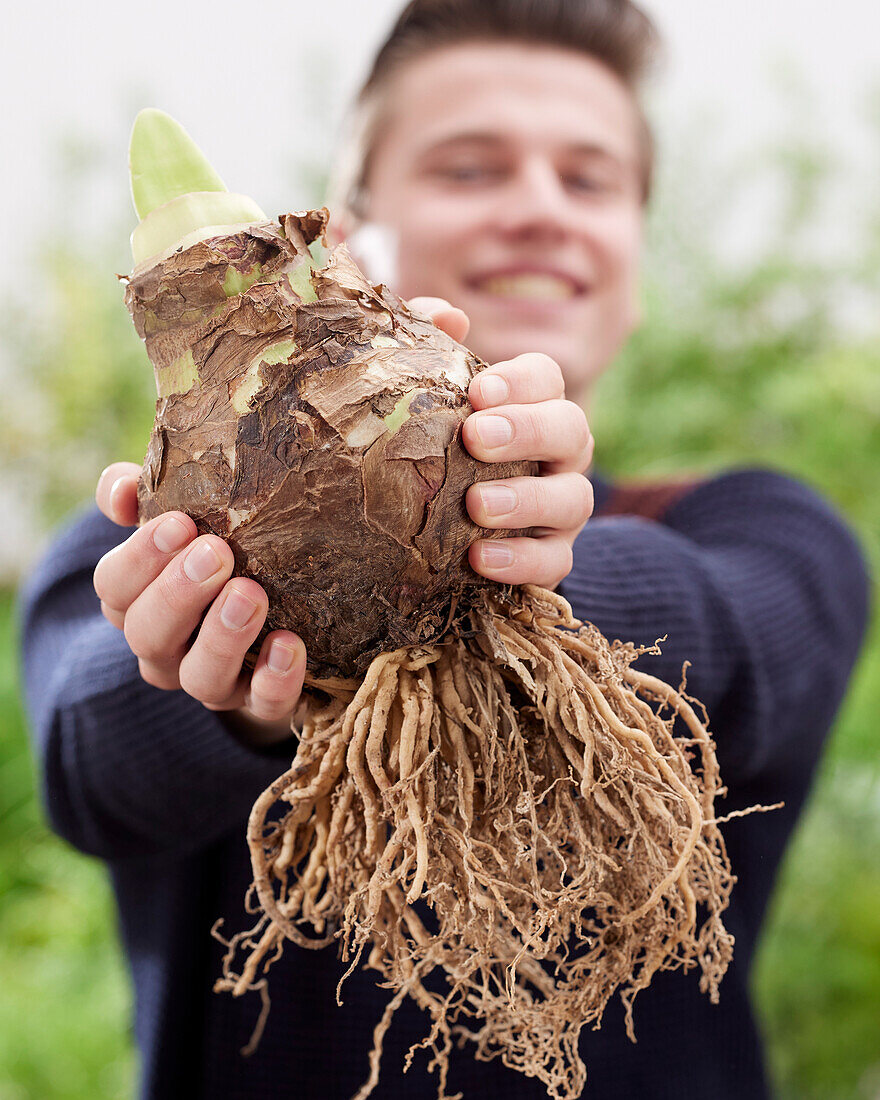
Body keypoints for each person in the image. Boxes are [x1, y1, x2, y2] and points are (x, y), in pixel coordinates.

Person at [20, 1, 870, 1098]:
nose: (537, 210)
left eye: (590, 179)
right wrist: (234, 680)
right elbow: (88, 754)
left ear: (633, 253)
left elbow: (748, 636)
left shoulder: (758, 523)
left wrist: (511, 563)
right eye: (469, 169)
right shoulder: (143, 532)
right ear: (346, 230)